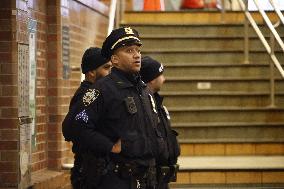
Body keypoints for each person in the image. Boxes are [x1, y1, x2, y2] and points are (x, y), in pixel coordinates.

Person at [63, 27, 166, 189]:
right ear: (115, 60)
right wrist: (109, 146)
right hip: (117, 178)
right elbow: (75, 127)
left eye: (138, 50)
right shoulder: (102, 90)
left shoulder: (143, 89)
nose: (137, 55)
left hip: (147, 179)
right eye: (129, 50)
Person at [62, 47, 111, 189]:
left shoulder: (99, 93)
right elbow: (74, 129)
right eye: (106, 68)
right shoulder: (86, 96)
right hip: (89, 172)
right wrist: (111, 146)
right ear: (91, 72)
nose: (110, 72)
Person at [140, 56, 180, 189]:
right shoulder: (144, 105)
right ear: (151, 79)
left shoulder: (158, 104)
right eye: (161, 75)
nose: (164, 79)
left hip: (162, 175)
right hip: (151, 175)